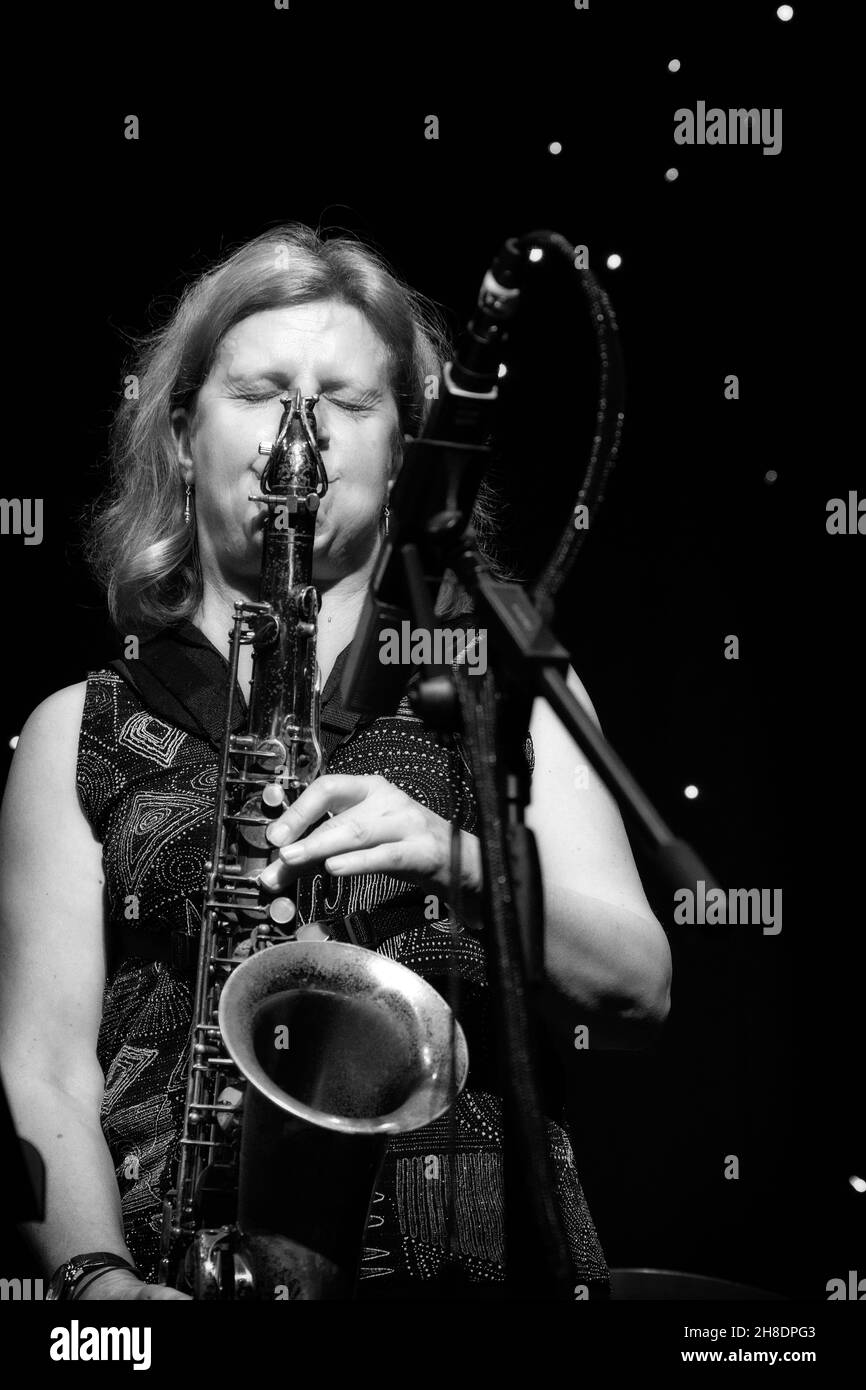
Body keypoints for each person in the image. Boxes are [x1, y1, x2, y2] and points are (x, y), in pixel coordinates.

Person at [0, 224, 671, 1301]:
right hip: (181, 1280)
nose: (299, 431)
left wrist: (461, 857)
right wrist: (99, 1287)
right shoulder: (72, 729)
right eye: (262, 389)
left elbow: (636, 988)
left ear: (406, 449)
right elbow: (41, 1068)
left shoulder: (503, 683)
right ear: (181, 433)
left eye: (349, 402)